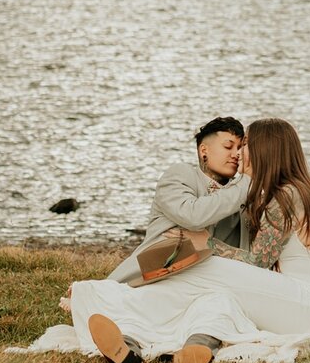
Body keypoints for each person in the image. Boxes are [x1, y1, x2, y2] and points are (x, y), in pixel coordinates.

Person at [38, 118, 310, 363]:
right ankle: (141, 335)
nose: (240, 153)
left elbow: (256, 262)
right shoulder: (292, 190)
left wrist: (204, 246)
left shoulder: (282, 196)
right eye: (235, 146)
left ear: (266, 151)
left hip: (308, 307)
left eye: (246, 146)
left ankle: (104, 294)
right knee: (211, 293)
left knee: (201, 264)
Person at [106, 116, 250, 282]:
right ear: (204, 151)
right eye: (228, 146)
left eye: (240, 148)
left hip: (213, 279)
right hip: (155, 274)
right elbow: (193, 217)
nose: (236, 154)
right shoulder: (180, 174)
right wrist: (246, 180)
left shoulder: (240, 191)